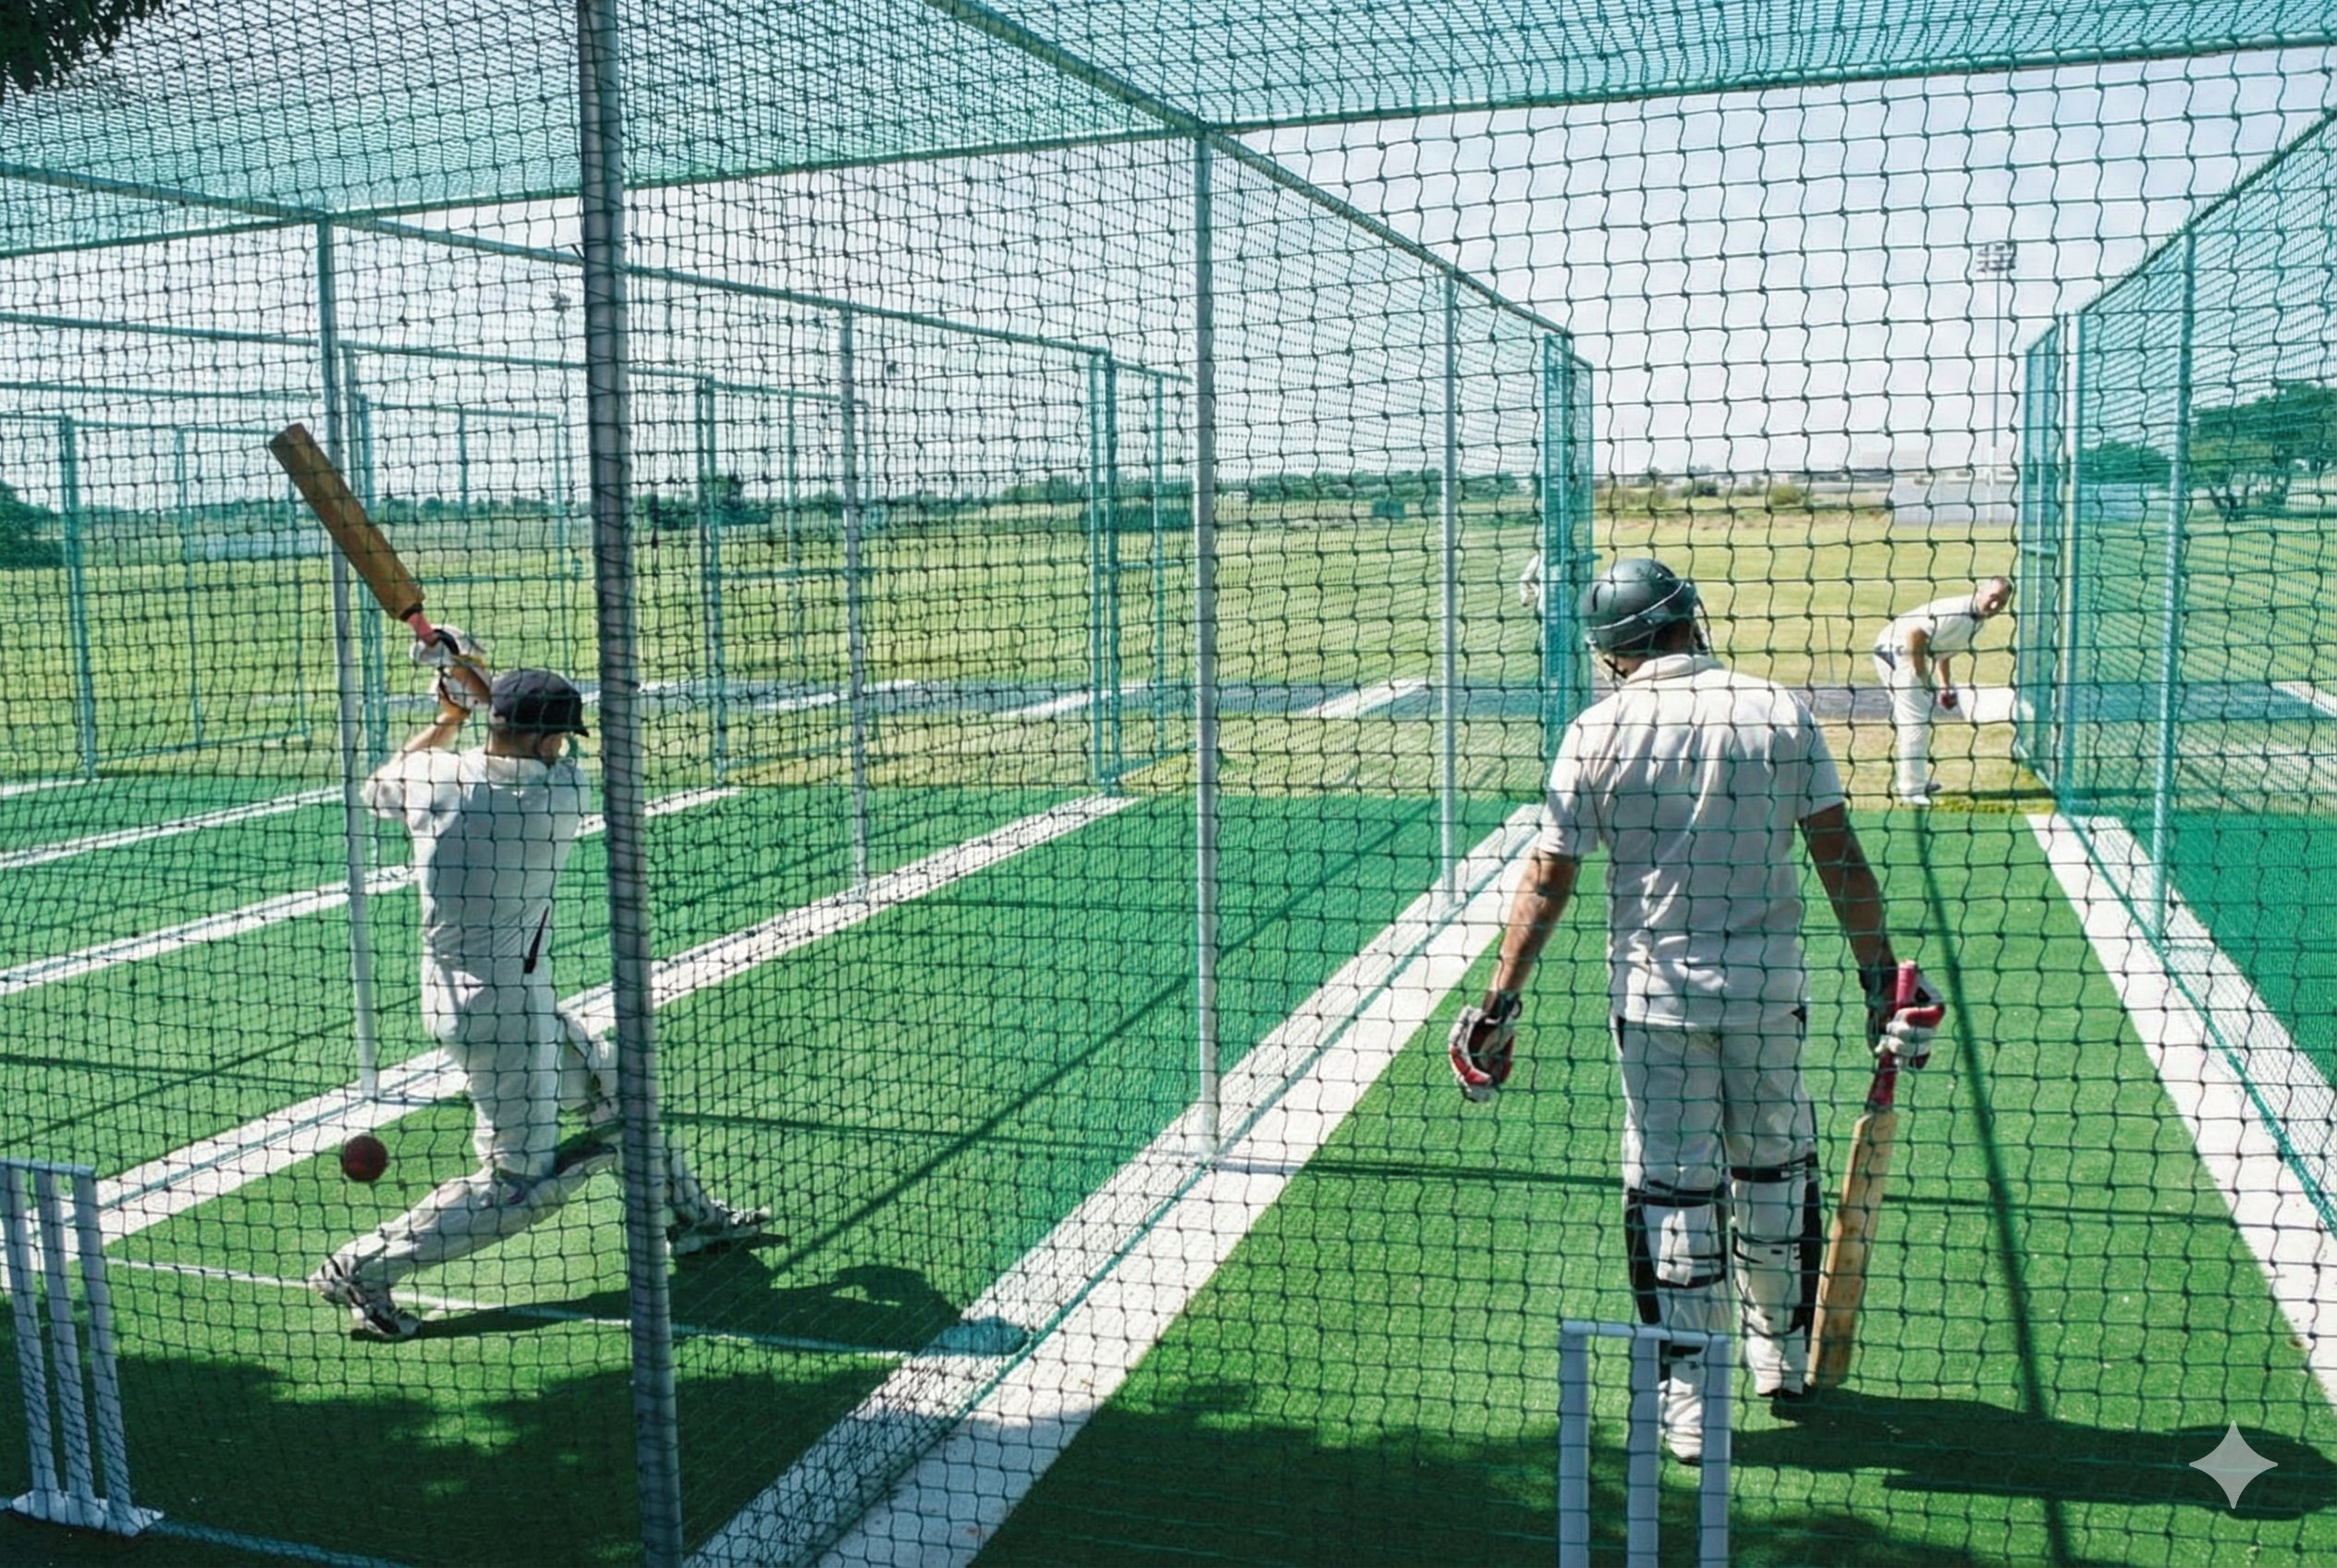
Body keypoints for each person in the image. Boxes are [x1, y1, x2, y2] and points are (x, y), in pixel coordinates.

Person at [1447, 557, 1940, 1464]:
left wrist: (1498, 1000)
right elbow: (1837, 857)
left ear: (1610, 651)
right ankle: (1780, 1354)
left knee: (1670, 1188)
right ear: (1689, 620)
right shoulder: (1773, 708)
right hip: (1765, 992)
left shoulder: (1595, 730)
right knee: (1772, 1171)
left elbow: (1548, 875)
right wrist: (1880, 979)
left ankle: (1687, 1396)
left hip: (1653, 999)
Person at [311, 641, 766, 1341]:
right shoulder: (557, 796)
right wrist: (474, 681)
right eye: (558, 737)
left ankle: (697, 1220)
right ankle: (361, 1269)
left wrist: (449, 711)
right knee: (516, 1185)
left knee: (619, 1092)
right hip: (506, 1013)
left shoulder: (434, 777)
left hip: (465, 997)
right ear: (547, 739)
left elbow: (382, 788)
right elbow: (518, 743)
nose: (562, 749)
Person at [1870, 577, 2013, 805]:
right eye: (1993, 598)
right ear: (1981, 591)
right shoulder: (1955, 610)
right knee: (1915, 722)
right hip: (1898, 650)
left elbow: (1943, 651)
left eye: (2002, 603)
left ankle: (1914, 780)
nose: (1995, 606)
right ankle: (1911, 790)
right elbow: (1915, 635)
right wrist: (1921, 675)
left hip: (1910, 653)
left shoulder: (1978, 621)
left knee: (1919, 720)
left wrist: (1945, 686)